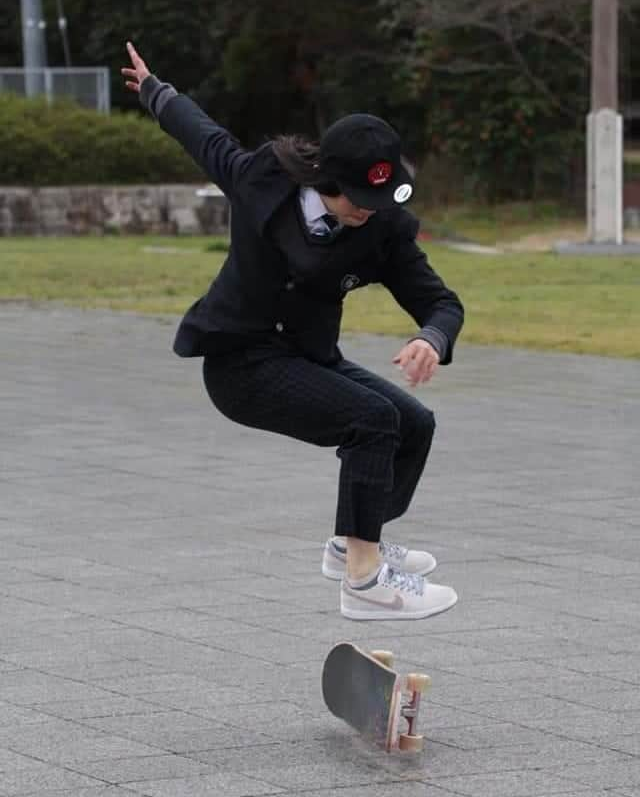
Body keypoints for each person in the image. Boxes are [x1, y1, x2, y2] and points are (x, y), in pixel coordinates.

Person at [122, 41, 464, 621]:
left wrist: (431, 337)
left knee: (414, 424)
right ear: (328, 180)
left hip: (308, 358)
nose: (369, 212)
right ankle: (365, 581)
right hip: (240, 364)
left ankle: (351, 546)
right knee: (371, 420)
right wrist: (157, 91)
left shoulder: (384, 231)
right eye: (360, 201)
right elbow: (202, 135)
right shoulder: (262, 181)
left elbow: (440, 301)